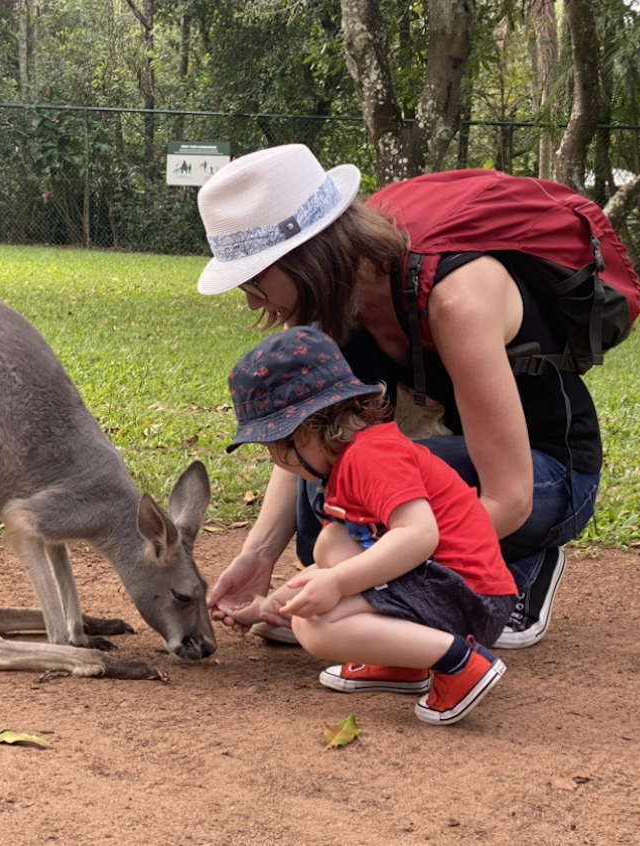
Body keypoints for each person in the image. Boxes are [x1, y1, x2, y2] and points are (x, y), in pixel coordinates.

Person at [198, 143, 602, 652]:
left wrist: (362, 587)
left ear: (305, 258)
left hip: (550, 479)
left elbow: (509, 497)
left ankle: (520, 563)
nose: (254, 303)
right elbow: (308, 439)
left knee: (356, 507)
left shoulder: (455, 299)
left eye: (254, 282)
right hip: (453, 467)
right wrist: (260, 556)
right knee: (320, 514)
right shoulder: (330, 309)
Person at [222, 326, 517, 725]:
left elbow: (420, 535)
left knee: (316, 628)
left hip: (470, 596)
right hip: (443, 584)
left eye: (274, 449)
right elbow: (331, 567)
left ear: (304, 433)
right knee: (332, 544)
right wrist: (265, 608)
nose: (276, 464)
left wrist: (339, 584)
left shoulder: (372, 457)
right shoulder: (350, 462)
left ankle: (460, 663)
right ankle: (404, 662)